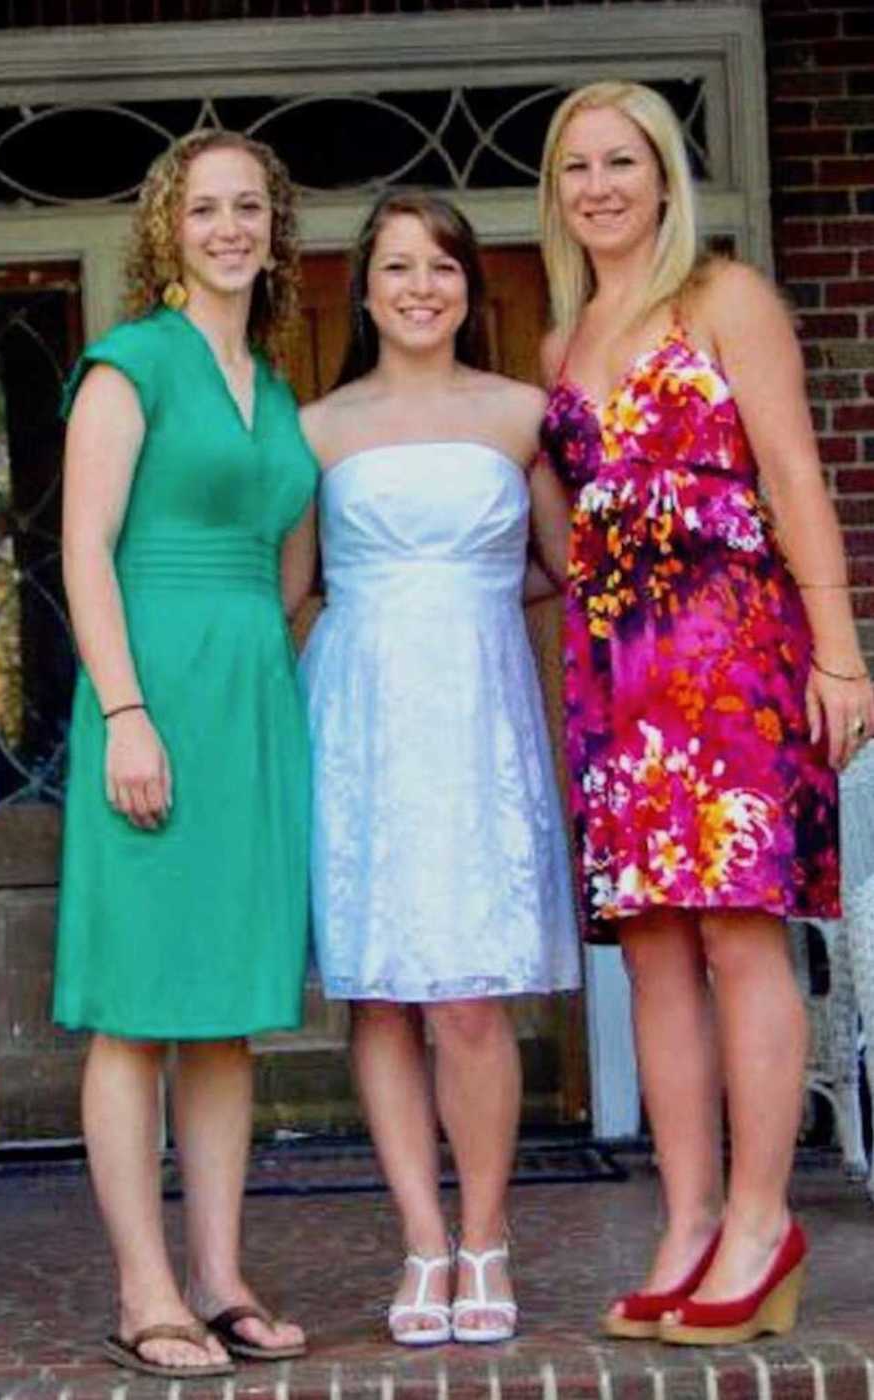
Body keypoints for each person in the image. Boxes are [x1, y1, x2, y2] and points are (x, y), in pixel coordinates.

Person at [537, 79, 874, 1346]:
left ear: (666, 178)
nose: (600, 188)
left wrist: (839, 655)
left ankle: (758, 1218)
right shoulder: (561, 340)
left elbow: (794, 472)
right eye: (576, 169)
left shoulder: (724, 300)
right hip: (617, 679)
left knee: (740, 937)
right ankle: (683, 1223)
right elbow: (567, 531)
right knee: (657, 955)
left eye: (622, 163)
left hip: (731, 656)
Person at [53, 129, 317, 1378]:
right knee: (136, 1008)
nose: (229, 227)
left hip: (250, 704)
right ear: (169, 226)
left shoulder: (267, 379)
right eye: (205, 207)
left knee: (223, 1014)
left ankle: (216, 1275)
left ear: (275, 226)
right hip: (150, 695)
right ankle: (141, 1286)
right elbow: (85, 549)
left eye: (249, 206)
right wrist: (125, 712)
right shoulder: (132, 363)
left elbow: (290, 561)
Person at [299, 191, 581, 1346]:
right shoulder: (316, 428)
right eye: (399, 268)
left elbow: (565, 565)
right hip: (362, 713)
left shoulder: (524, 414)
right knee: (380, 987)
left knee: (468, 992)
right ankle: (421, 1239)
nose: (422, 287)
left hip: (477, 714)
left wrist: (459, 607)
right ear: (364, 289)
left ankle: (486, 1234)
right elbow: (291, 589)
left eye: (445, 268)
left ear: (471, 285)